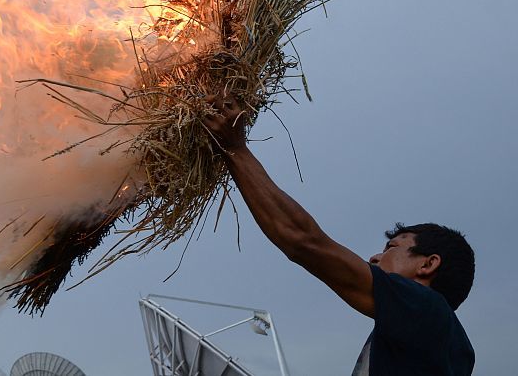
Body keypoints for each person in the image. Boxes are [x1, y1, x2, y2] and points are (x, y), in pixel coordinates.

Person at [203, 95, 475, 376]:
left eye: (392, 247)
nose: (374, 257)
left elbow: (303, 241)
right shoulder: (444, 345)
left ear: (428, 264)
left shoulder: (426, 310)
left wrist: (234, 148)